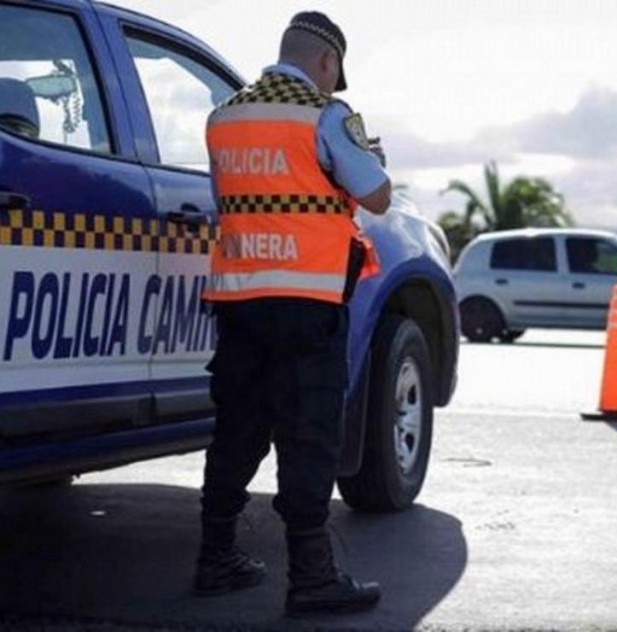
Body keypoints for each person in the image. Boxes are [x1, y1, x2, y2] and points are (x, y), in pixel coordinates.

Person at [195, 11, 391, 617]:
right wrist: (370, 153)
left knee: (237, 428)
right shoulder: (324, 115)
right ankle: (312, 576)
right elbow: (377, 196)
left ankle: (215, 559)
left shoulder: (222, 116)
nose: (333, 85)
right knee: (308, 435)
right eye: (334, 75)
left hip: (239, 299)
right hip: (306, 302)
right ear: (327, 63)